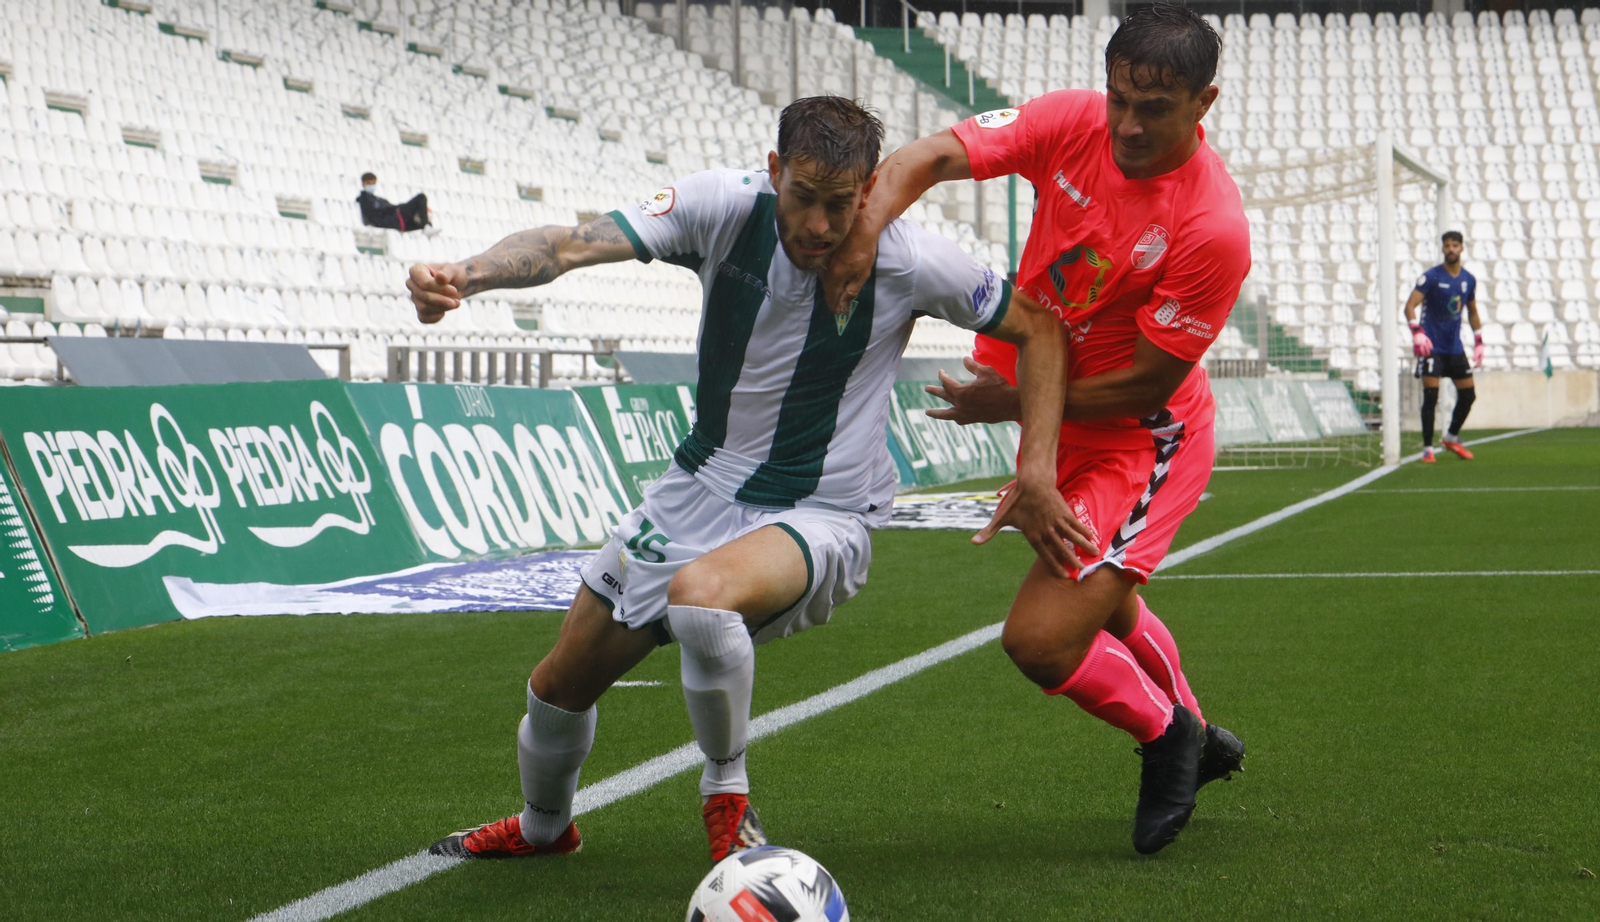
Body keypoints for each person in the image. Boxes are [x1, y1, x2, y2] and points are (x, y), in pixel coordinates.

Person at [404, 96, 1090, 863]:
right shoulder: (721, 208)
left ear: (869, 191)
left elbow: (1039, 328)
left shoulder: (911, 260)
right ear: (773, 172)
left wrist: (1037, 468)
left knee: (702, 597)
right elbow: (568, 244)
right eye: (803, 197)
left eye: (840, 204)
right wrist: (464, 275)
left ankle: (727, 802)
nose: (819, 225)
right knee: (557, 687)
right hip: (695, 490)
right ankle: (544, 830)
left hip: (822, 509)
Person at [823, 5, 1248, 855]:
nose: (1127, 125)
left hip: (1144, 441)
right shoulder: (1070, 121)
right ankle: (1195, 726)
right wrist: (862, 235)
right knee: (1106, 600)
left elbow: (1149, 383)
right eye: (1119, 99)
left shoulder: (1212, 226)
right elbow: (929, 156)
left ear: (1204, 103)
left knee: (1042, 640)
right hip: (1056, 415)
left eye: (1154, 109)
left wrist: (1015, 405)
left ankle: (1170, 737)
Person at [1405, 231, 1481, 463]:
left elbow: (1472, 311)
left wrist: (1479, 341)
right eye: (1447, 245)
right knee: (1431, 397)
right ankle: (1427, 449)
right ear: (1442, 249)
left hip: (1455, 348)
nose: (1451, 249)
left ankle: (1450, 437)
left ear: (1462, 248)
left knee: (1468, 395)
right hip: (1432, 348)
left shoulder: (1469, 279)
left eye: (1455, 245)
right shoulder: (1431, 277)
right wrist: (1417, 332)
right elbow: (1409, 306)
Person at [357, 172, 437, 234]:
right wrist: (396, 209)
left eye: (373, 183)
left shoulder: (378, 199)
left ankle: (427, 226)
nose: (371, 185)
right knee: (421, 198)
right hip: (394, 218)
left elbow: (387, 208)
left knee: (423, 220)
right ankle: (426, 226)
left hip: (398, 220)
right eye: (369, 183)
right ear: (363, 184)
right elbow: (375, 214)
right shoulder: (364, 199)